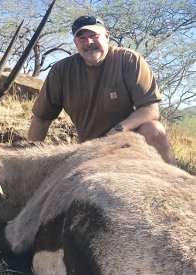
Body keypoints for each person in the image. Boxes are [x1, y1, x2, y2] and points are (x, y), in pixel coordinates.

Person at [28, 15, 175, 164]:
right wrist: (30, 161)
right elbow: (41, 119)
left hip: (130, 142)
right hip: (91, 150)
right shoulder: (60, 71)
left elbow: (151, 110)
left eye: (94, 36)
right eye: (82, 38)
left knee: (154, 129)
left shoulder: (130, 60)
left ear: (106, 36)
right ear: (75, 43)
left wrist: (118, 130)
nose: (89, 42)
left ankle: (175, 180)